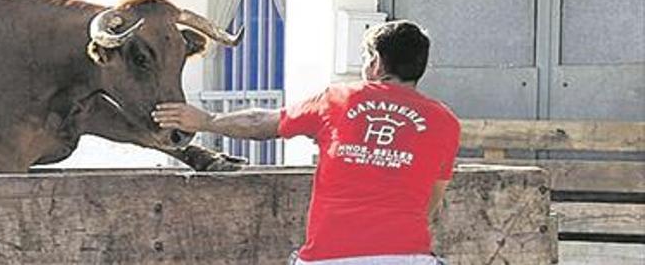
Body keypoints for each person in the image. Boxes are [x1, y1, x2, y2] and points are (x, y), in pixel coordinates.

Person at [152, 20, 460, 265]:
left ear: (377, 63)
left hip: (329, 256)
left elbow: (262, 123)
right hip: (408, 256)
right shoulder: (446, 122)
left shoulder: (339, 99)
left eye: (367, 57)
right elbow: (430, 203)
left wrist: (206, 121)